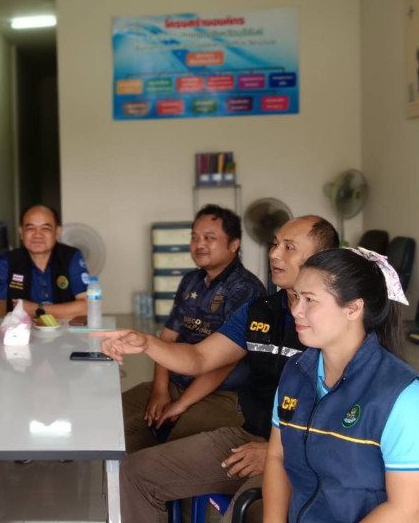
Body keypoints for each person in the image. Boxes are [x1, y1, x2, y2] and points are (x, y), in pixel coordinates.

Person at [96, 215, 339, 523]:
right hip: (248, 435)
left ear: (322, 257)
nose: (275, 254)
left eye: (289, 247)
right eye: (275, 244)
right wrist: (145, 343)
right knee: (134, 472)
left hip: (302, 453)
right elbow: (199, 358)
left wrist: (279, 451)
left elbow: (346, 412)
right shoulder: (260, 311)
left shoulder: (339, 318)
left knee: (250, 512)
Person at [264, 248, 419, 522]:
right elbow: (277, 456)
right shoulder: (295, 372)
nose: (296, 309)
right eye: (296, 297)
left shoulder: (401, 396)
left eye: (310, 299)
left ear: (353, 308)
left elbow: (407, 507)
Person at [123, 205, 266, 452]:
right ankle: (135, 465)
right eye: (194, 237)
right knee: (115, 419)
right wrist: (159, 390)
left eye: (209, 238)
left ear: (234, 244)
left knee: (174, 446)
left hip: (223, 392)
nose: (199, 244)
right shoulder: (191, 280)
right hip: (178, 381)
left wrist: (181, 405)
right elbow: (167, 338)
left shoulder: (245, 289)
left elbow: (224, 364)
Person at [0, 204, 90, 326]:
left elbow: (87, 307)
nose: (37, 235)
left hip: (66, 333)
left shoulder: (71, 257)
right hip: (21, 333)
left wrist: (35, 309)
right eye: (30, 228)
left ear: (57, 232)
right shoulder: (8, 261)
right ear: (21, 232)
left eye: (45, 228)